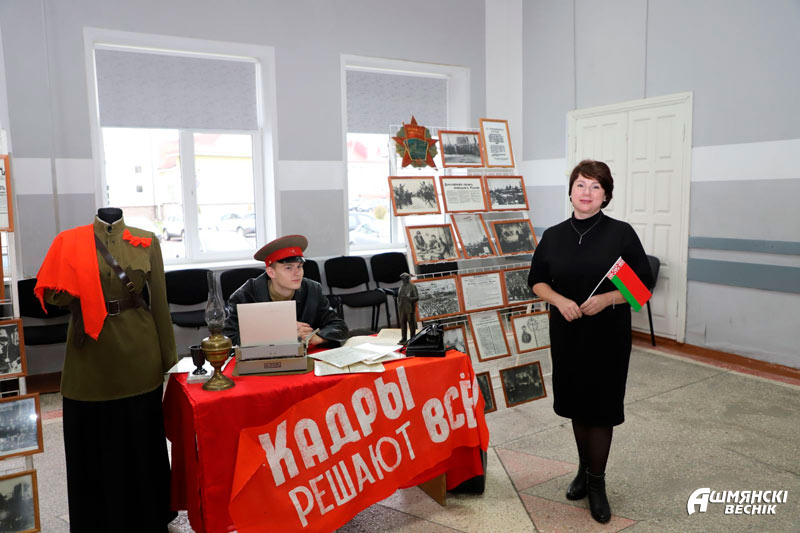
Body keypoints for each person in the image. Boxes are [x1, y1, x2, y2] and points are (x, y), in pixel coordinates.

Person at [35, 207, 177, 531]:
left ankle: (150, 514)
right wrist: (76, 287)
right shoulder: (69, 241)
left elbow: (160, 301)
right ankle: (95, 519)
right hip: (89, 352)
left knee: (141, 440)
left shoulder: (146, 241)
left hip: (139, 351)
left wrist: (168, 357)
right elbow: (52, 294)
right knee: (91, 441)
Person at [527, 160, 652, 524]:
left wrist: (608, 298)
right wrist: (559, 300)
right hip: (567, 333)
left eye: (596, 187)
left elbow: (643, 285)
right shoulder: (554, 235)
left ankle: (597, 484)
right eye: (581, 184)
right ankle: (584, 471)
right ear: (570, 191)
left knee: (600, 407)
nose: (587, 192)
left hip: (607, 336)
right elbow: (536, 281)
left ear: (606, 195)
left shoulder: (620, 234)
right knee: (577, 404)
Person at [223, 235, 348, 347]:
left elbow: (339, 326)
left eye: (299, 266)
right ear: (271, 272)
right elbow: (228, 339)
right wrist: (281, 333)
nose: (297, 273)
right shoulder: (245, 296)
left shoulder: (313, 290)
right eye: (288, 268)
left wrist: (317, 338)